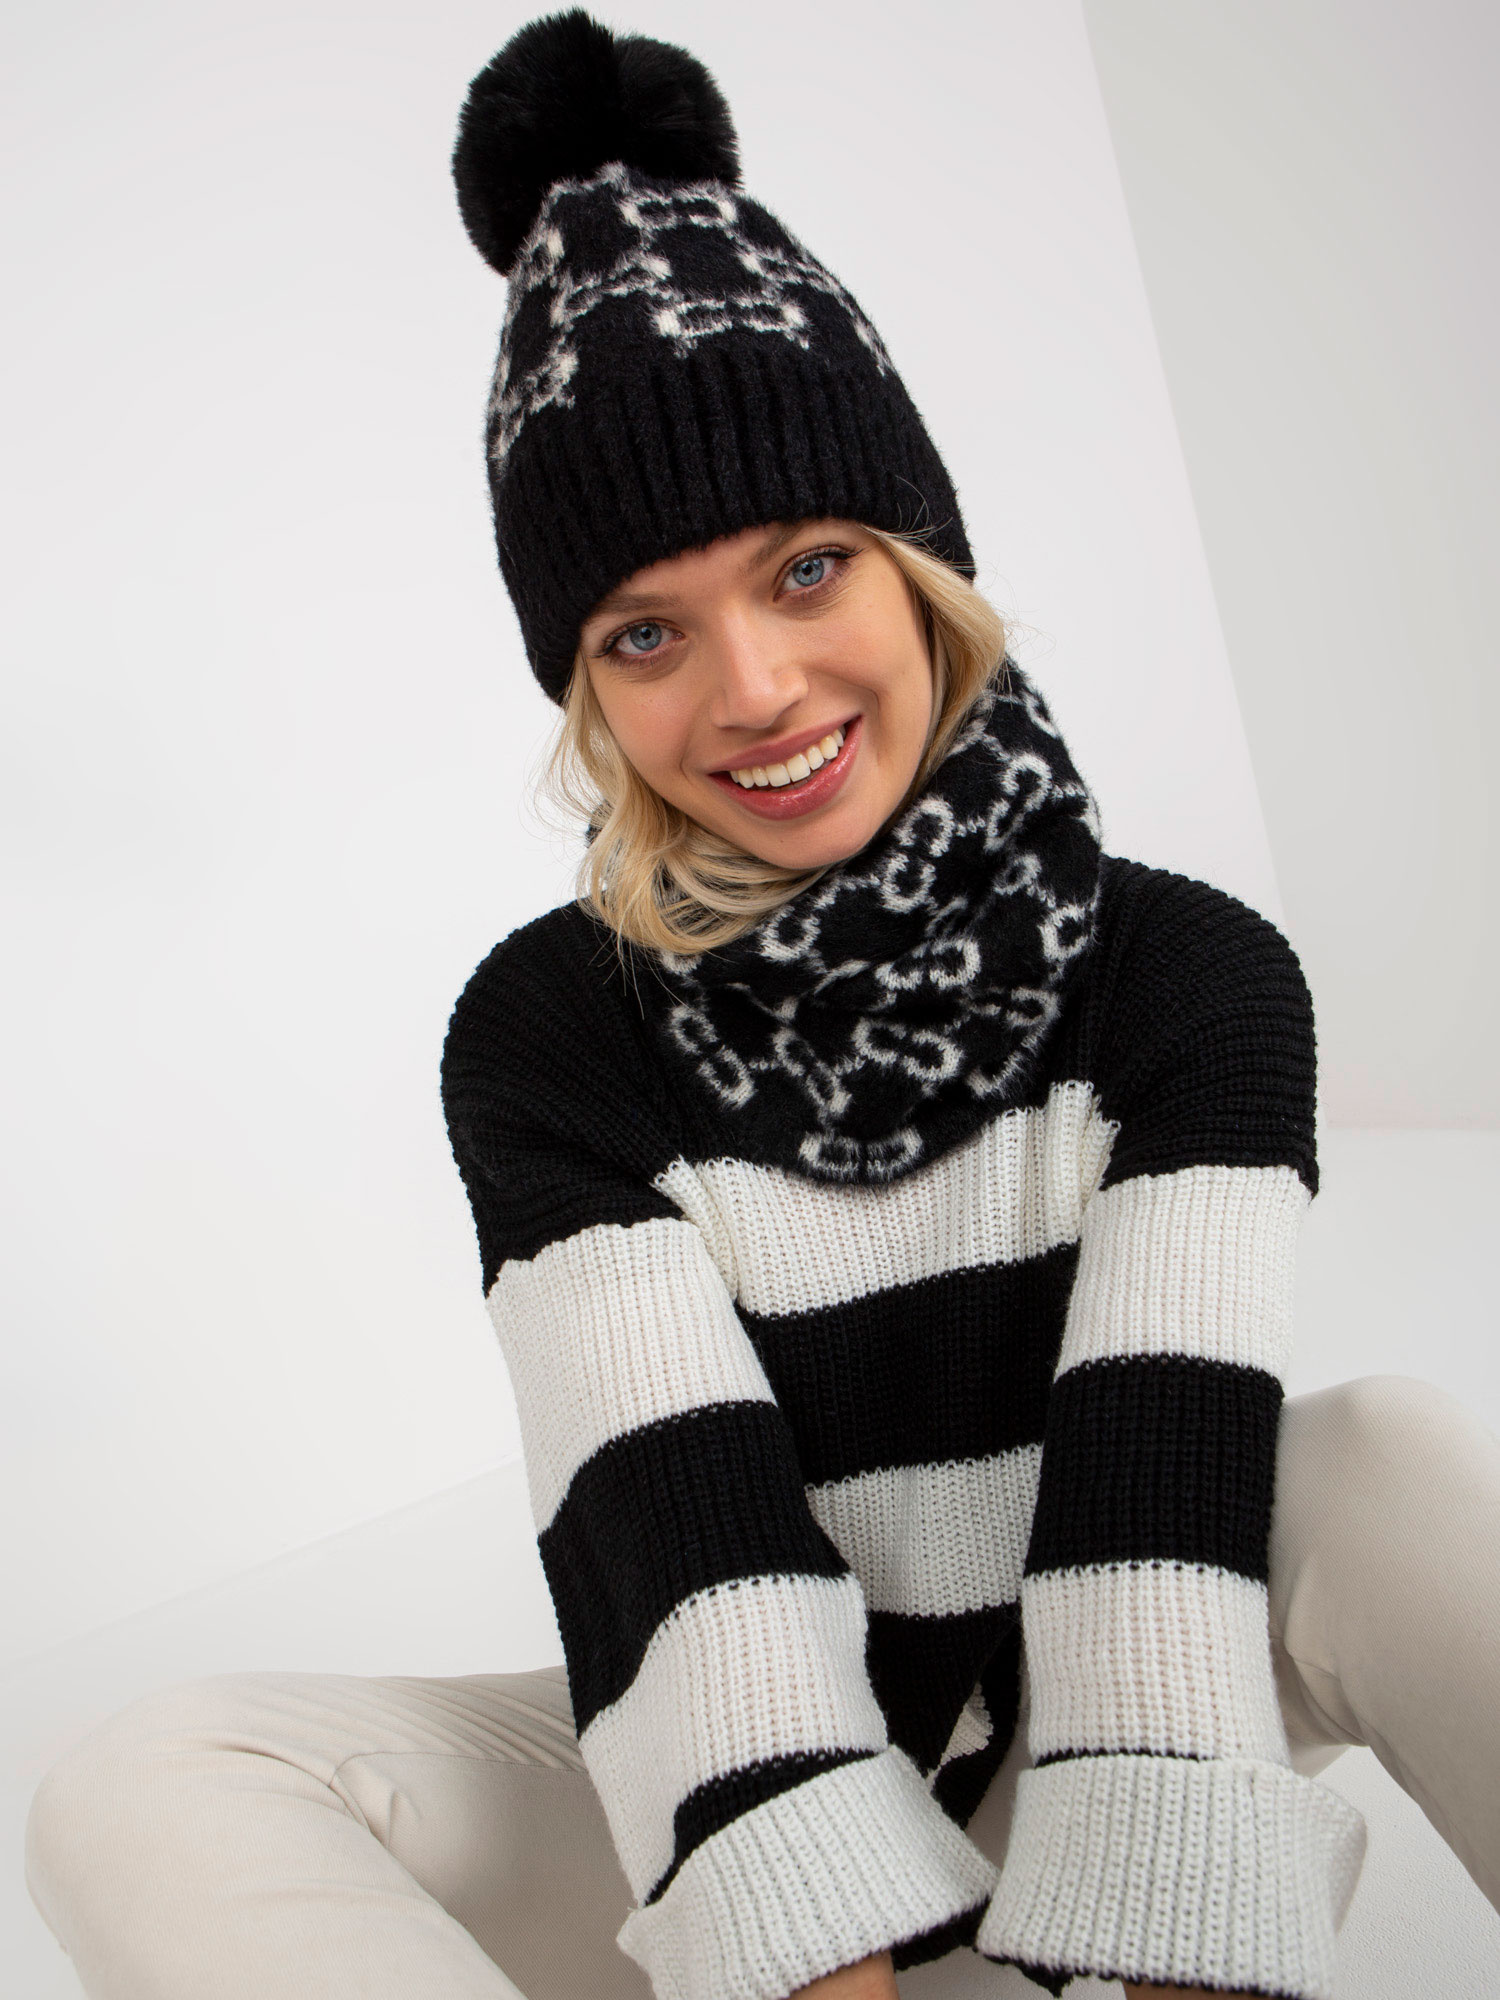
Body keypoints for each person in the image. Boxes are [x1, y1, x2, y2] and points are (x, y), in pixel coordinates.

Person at [23, 12, 1500, 2000]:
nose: (753, 690)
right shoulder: (551, 1039)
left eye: (806, 571)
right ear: (587, 688)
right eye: (647, 631)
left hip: (1088, 1750)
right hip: (746, 1821)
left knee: (1387, 1464)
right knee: (143, 1781)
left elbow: (1160, 1520)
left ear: (919, 570)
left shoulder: (1186, 979)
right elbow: (689, 1555)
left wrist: (1166, 1946)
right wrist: (820, 1955)